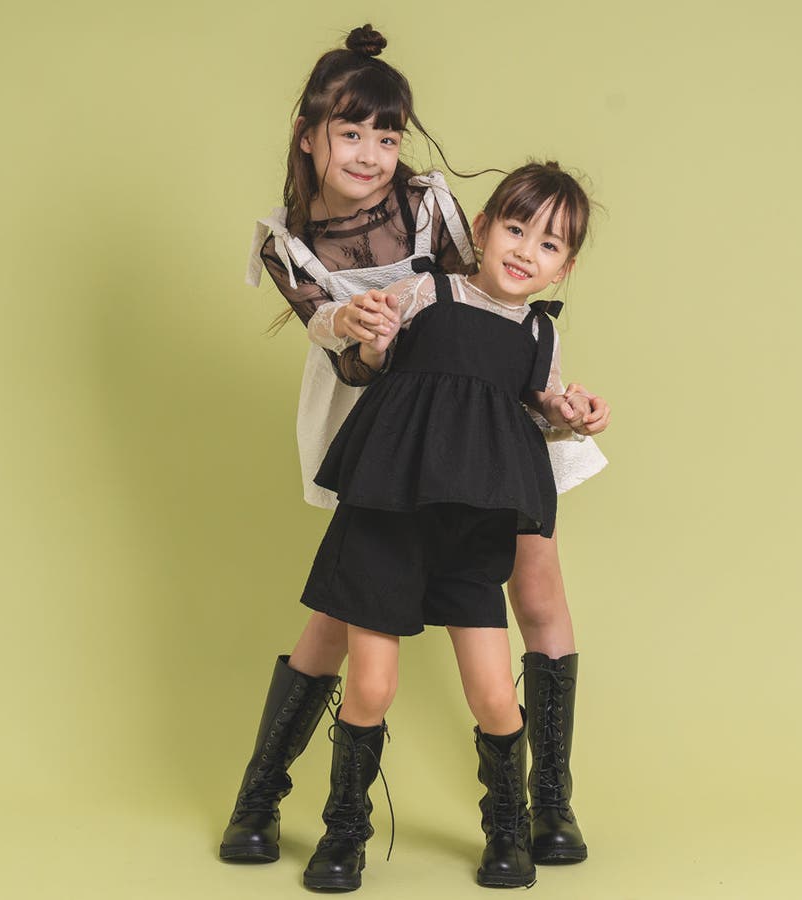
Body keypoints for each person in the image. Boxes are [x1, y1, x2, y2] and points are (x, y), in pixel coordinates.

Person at [221, 23, 611, 868]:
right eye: (350, 134)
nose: (369, 155)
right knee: (344, 614)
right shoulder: (286, 243)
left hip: (492, 408)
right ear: (309, 136)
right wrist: (361, 331)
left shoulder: (429, 203)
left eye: (386, 137)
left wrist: (550, 399)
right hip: (385, 414)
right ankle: (262, 796)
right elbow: (349, 352)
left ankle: (546, 802)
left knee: (535, 583)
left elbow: (495, 290)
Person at [297, 161, 604, 890]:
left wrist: (570, 413)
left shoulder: (539, 332)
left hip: (473, 532)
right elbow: (362, 346)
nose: (527, 251)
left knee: (495, 695)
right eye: (517, 229)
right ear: (484, 228)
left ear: (565, 267)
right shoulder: (429, 290)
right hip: (389, 518)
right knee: (371, 687)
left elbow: (540, 409)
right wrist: (369, 334)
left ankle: (509, 826)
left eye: (551, 245)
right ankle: (345, 831)